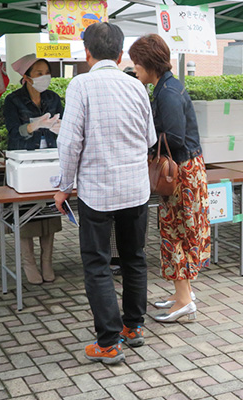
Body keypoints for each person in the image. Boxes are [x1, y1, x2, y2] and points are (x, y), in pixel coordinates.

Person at [54, 22, 156, 365]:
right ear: (120, 53)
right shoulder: (136, 87)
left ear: (86, 53)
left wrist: (63, 186)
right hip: (136, 189)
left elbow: (69, 143)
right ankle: (133, 327)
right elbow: (150, 139)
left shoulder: (80, 85)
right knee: (134, 258)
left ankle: (109, 342)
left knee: (97, 264)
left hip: (97, 191)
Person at [129, 34, 210, 323]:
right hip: (187, 170)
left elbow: (174, 136)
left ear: (147, 63)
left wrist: (146, 140)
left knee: (176, 235)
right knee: (180, 233)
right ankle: (181, 294)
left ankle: (185, 301)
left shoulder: (166, 93)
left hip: (180, 173)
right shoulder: (168, 87)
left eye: (136, 63)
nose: (134, 68)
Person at [3, 54, 63, 284]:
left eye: (46, 72)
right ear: (26, 77)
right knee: (25, 216)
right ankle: (28, 262)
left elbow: (62, 122)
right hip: (24, 163)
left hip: (50, 160)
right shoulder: (13, 100)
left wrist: (58, 127)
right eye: (38, 73)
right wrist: (32, 126)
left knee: (50, 213)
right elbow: (12, 130)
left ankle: (47, 261)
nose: (44, 77)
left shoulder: (53, 98)